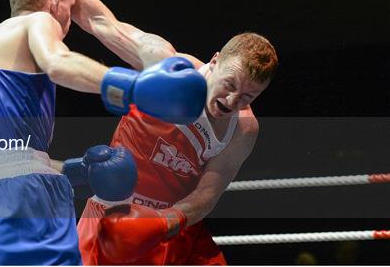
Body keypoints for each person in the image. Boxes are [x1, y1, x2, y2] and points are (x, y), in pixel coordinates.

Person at [0, 0, 207, 265]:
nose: (67, 26)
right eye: (69, 10)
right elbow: (58, 62)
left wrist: (74, 171)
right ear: (56, 3)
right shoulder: (37, 20)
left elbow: (1, 156)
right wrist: (134, 88)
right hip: (15, 202)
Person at [77, 32, 279, 265]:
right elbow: (104, 24)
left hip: (172, 226)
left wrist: (161, 222)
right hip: (110, 212)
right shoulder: (167, 65)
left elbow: (206, 195)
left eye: (247, 96)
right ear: (214, 61)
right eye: (230, 84)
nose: (232, 101)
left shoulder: (243, 128)